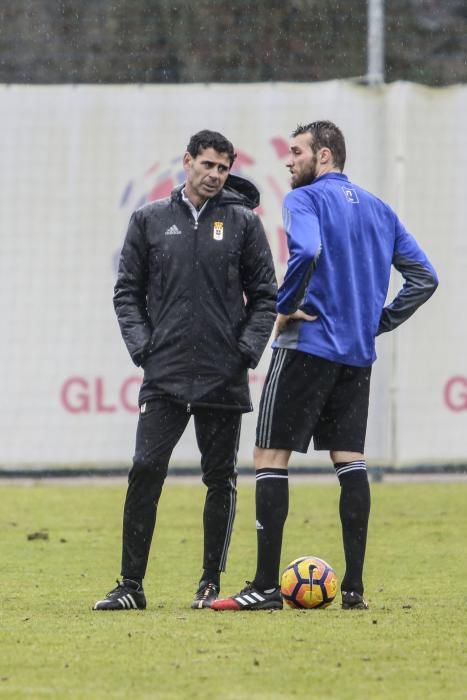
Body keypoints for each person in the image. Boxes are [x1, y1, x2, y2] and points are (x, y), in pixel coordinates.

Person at [211, 120, 438, 612]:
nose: (288, 160)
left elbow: (308, 249)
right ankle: (353, 590)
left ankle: (266, 587)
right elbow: (425, 278)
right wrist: (375, 322)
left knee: (270, 458)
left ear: (325, 156)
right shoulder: (380, 209)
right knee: (350, 462)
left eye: (296, 151)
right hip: (356, 357)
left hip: (306, 346)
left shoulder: (304, 200)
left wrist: (284, 305)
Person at [93, 130, 277, 611]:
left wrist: (244, 351)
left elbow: (265, 297)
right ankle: (131, 586)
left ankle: (209, 584)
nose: (215, 175)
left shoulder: (242, 223)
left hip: (223, 374)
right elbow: (126, 294)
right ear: (187, 162)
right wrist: (144, 349)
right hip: (166, 373)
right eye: (208, 165)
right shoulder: (149, 220)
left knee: (220, 479)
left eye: (223, 168)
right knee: (145, 470)